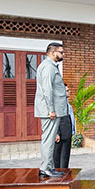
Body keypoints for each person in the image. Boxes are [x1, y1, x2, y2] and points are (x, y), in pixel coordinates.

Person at [35, 42, 68, 179]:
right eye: (61, 52)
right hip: (50, 110)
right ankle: (46, 168)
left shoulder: (50, 66)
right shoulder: (48, 67)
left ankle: (49, 167)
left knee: (49, 140)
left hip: (52, 109)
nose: (62, 55)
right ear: (53, 52)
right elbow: (47, 90)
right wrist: (51, 109)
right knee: (48, 140)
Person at [53, 84, 75, 169]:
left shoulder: (67, 104)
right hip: (60, 133)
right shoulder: (58, 104)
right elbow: (55, 119)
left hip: (67, 132)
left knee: (65, 156)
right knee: (57, 156)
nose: (69, 92)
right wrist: (56, 133)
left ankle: (64, 173)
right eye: (67, 90)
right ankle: (58, 173)